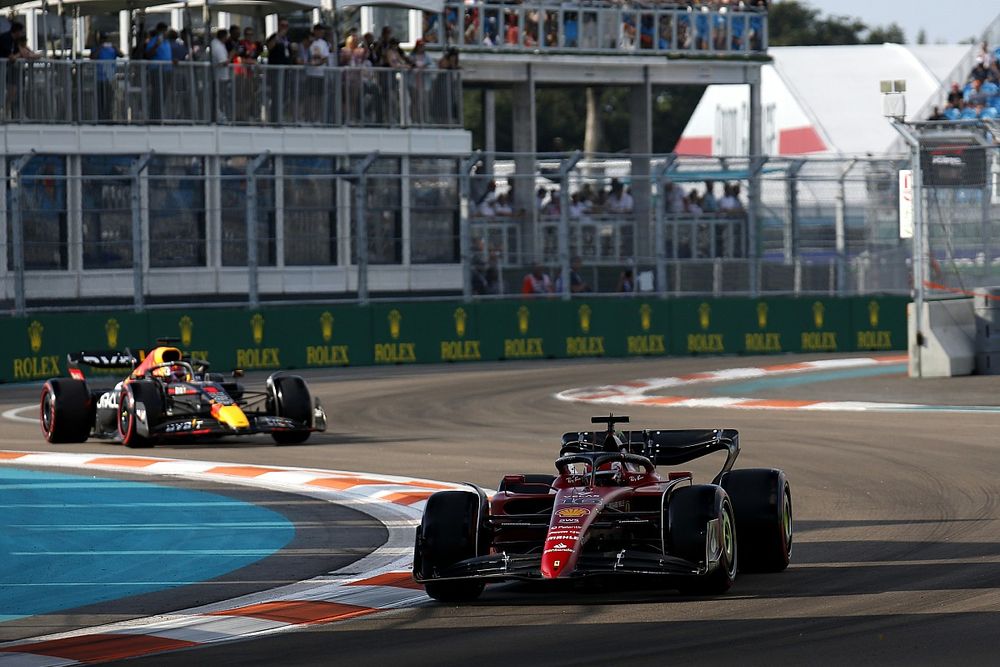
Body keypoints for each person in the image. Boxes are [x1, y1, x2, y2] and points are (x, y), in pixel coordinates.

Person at [90, 32, 122, 121]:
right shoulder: (96, 48)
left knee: (110, 99)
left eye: (105, 39)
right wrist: (100, 47)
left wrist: (115, 47)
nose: (104, 41)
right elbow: (92, 57)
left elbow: (121, 54)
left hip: (111, 77)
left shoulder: (111, 48)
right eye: (102, 39)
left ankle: (110, 118)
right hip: (99, 78)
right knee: (100, 100)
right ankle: (100, 118)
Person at [210, 28, 231, 121]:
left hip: (220, 77)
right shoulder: (217, 46)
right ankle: (219, 117)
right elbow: (223, 62)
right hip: (220, 78)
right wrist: (231, 55)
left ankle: (220, 116)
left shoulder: (217, 44)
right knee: (220, 99)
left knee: (220, 98)